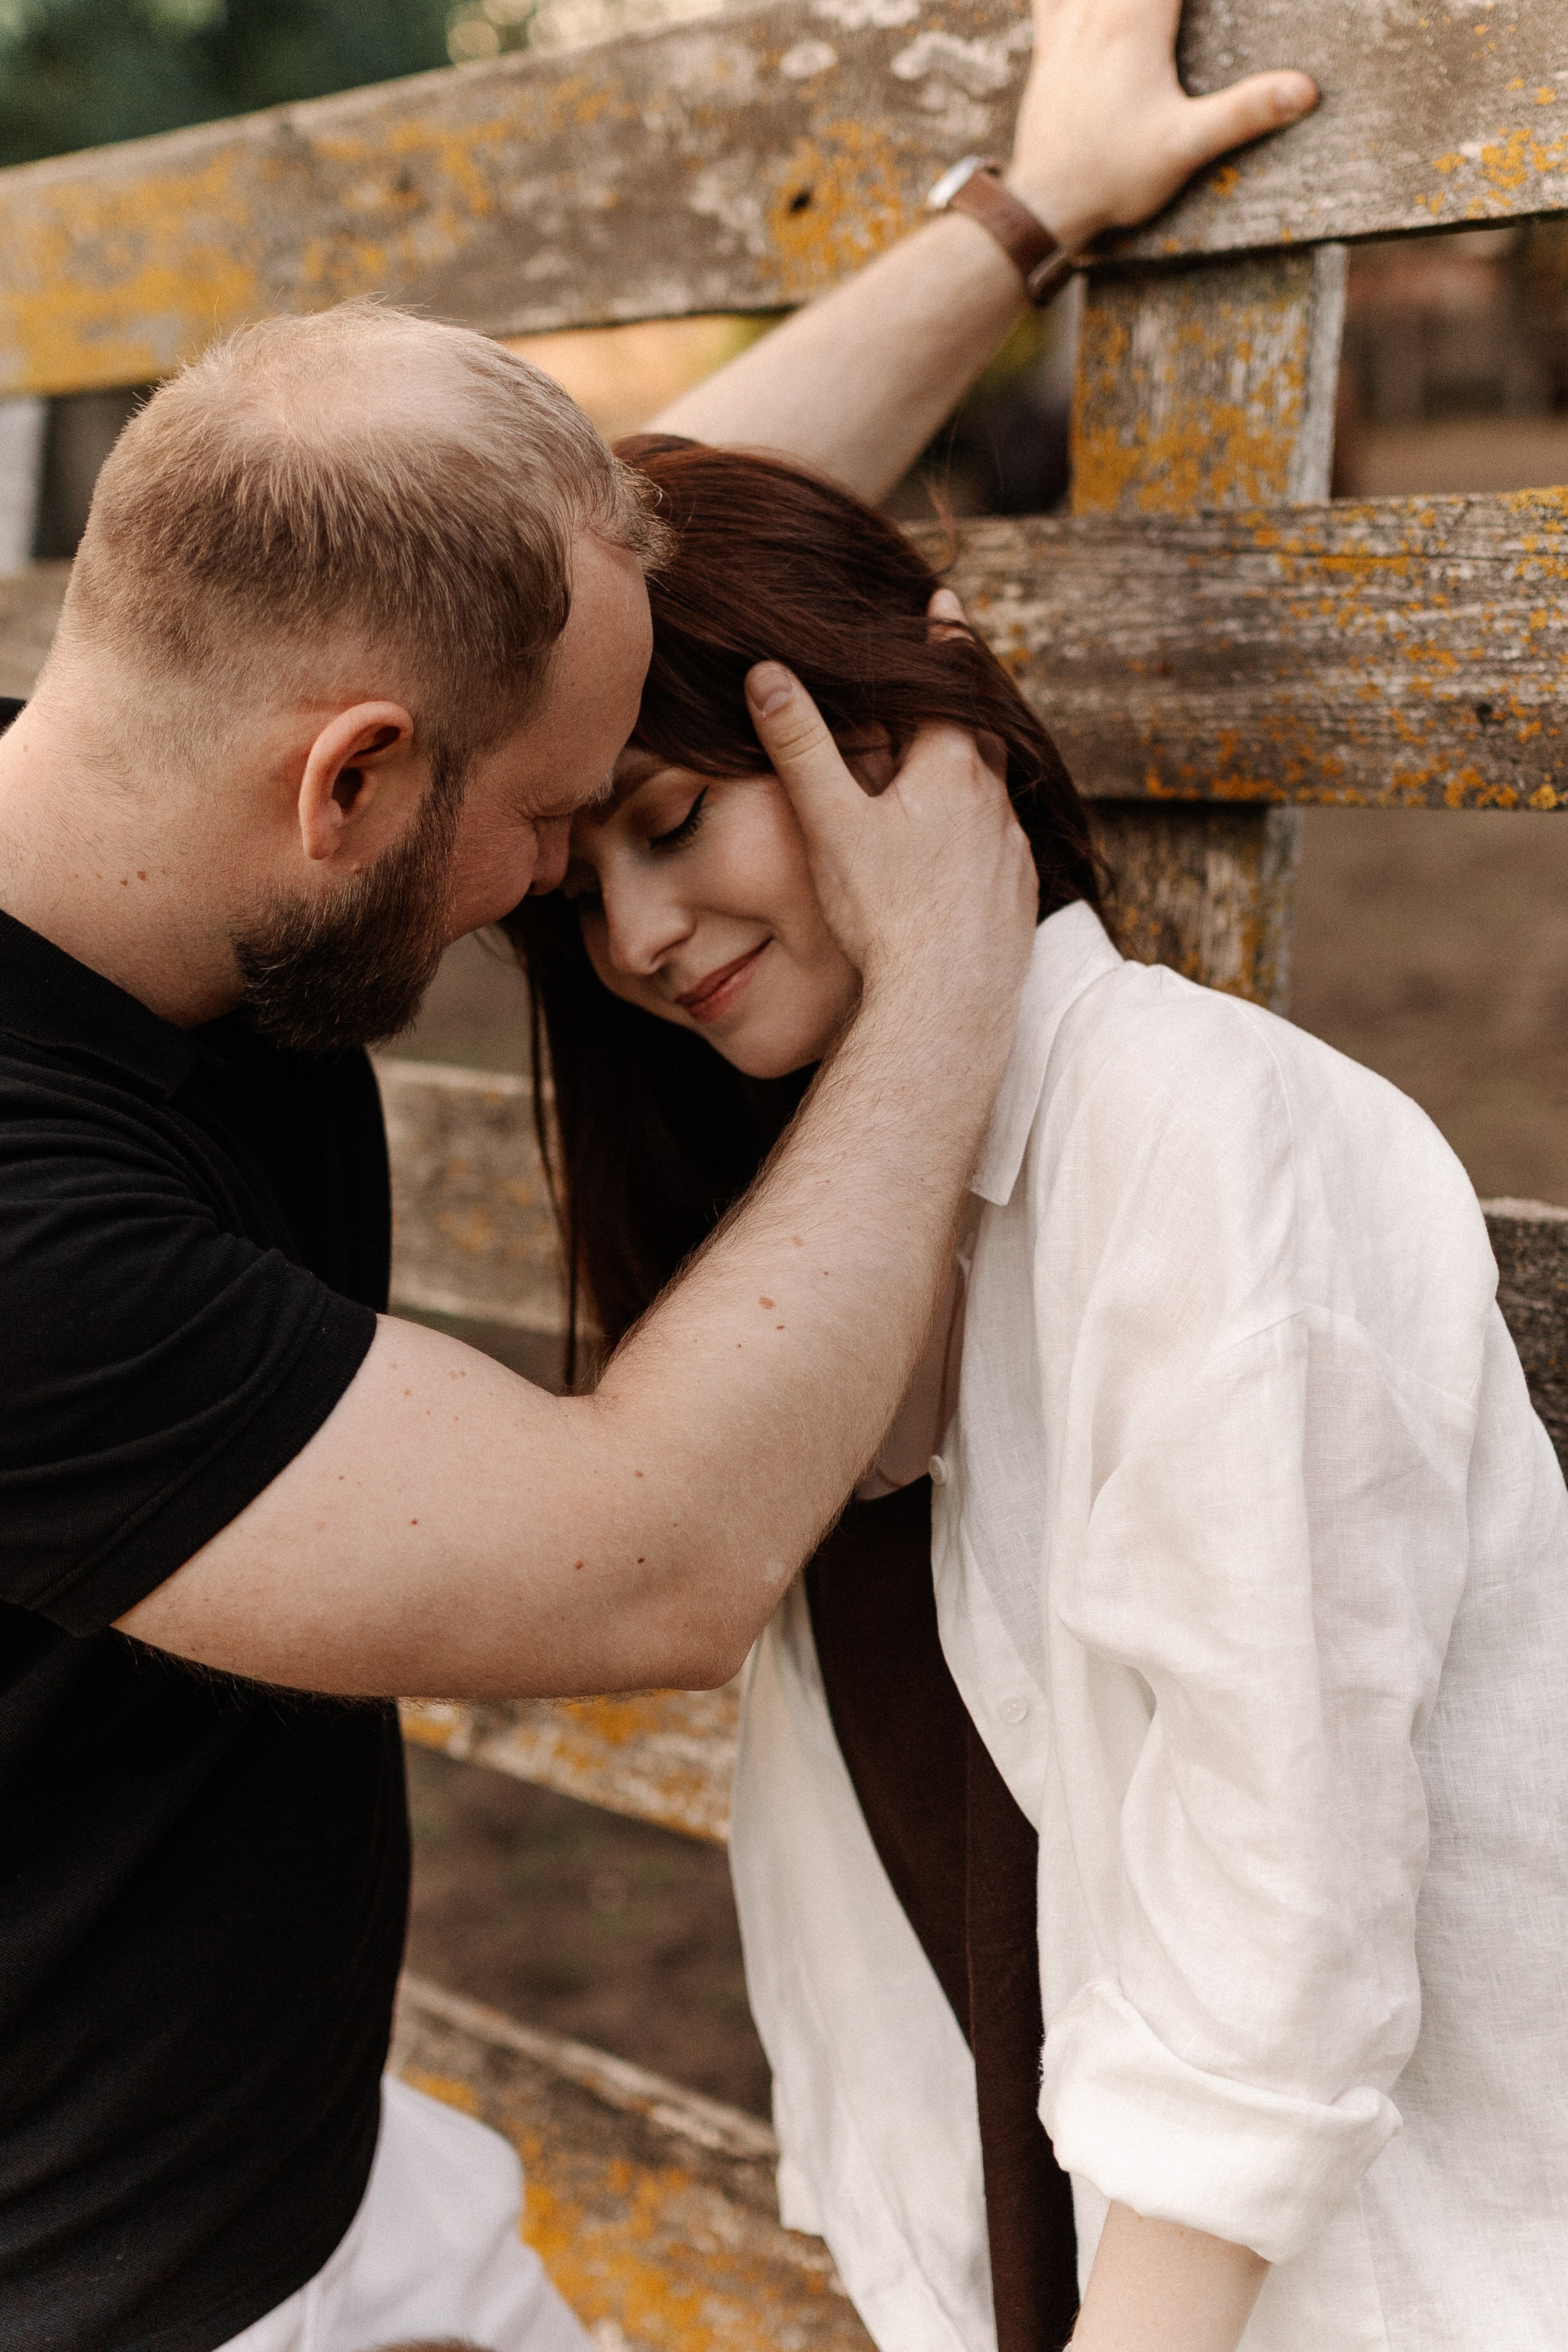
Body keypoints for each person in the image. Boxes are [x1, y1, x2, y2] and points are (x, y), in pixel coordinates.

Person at [0, 3, 1318, 2346]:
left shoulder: (153, 774)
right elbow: (655, 1560)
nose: (574, 897)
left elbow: (572, 580)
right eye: (547, 826)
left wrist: (1021, 217)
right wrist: (937, 971)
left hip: (301, 2158)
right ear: (353, 783)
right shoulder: (29, 1235)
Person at [511, 435, 1568, 2352]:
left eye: (669, 820)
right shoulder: (808, 1249)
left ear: (909, 739)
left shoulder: (1199, 1139)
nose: (635, 938)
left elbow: (1283, 1885)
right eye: (582, 887)